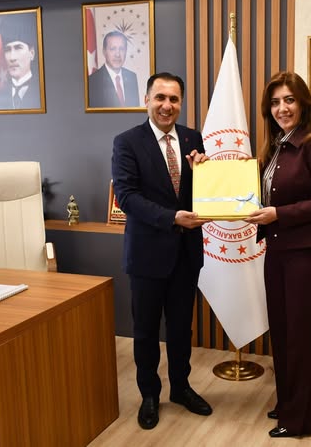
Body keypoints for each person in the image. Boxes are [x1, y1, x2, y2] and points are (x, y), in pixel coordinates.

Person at [111, 72, 212, 431]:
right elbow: (127, 197)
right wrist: (172, 218)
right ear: (147, 100)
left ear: (181, 102)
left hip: (186, 254)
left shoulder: (192, 138)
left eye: (174, 99)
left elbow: (201, 192)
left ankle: (181, 388)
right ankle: (149, 395)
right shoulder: (127, 142)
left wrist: (204, 172)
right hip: (147, 255)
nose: (167, 105)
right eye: (160, 97)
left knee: (182, 329)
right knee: (146, 331)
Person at [245, 71, 311, 438]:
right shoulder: (275, 148)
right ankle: (288, 404)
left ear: (303, 103)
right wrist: (206, 170)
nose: (282, 108)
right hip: (278, 252)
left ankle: (302, 420)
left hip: (308, 256)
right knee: (283, 333)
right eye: (275, 102)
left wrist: (278, 214)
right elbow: (254, 192)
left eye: (289, 100)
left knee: (302, 336)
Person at [0, 14, 41, 110]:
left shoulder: (41, 91)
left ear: (32, 53)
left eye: (18, 48)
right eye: (8, 49)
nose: (12, 58)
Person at [88, 31, 140, 108]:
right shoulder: (92, 81)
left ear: (126, 51)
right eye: (113, 49)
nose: (117, 54)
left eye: (121, 49)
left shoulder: (132, 77)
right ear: (104, 51)